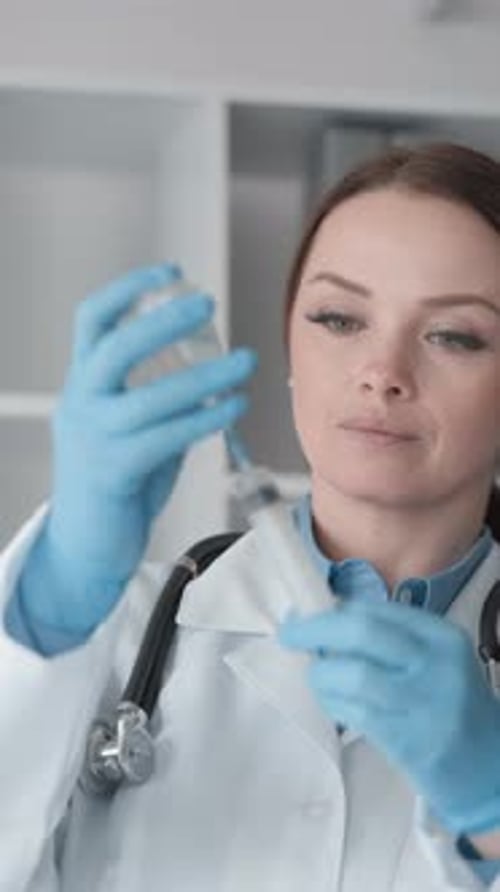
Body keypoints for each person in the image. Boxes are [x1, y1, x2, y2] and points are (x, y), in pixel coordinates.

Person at [1, 141, 500, 892]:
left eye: (454, 335)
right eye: (339, 319)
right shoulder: (114, 638)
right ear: (291, 348)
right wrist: (50, 607)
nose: (383, 373)